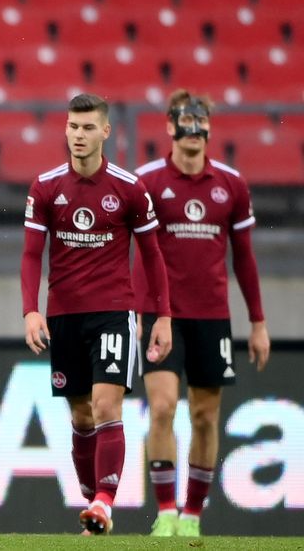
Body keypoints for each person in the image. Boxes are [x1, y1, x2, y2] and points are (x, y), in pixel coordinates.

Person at [20, 93, 173, 536]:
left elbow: (153, 255)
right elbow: (32, 255)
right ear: (64, 130)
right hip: (64, 314)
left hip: (113, 313)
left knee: (107, 405)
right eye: (73, 126)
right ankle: (94, 505)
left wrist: (161, 315)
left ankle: (104, 503)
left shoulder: (128, 188)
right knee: (81, 416)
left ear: (106, 132)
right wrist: (31, 311)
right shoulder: (46, 187)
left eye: (88, 128)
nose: (79, 135)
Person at [133, 91, 271, 538]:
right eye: (184, 120)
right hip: (160, 316)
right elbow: (132, 251)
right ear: (169, 127)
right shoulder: (148, 181)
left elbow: (245, 259)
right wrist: (135, 309)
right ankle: (167, 510)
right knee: (161, 408)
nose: (193, 129)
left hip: (212, 316)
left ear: (210, 128)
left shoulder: (232, 184)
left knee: (206, 417)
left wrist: (258, 322)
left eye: (200, 120)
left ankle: (192, 515)